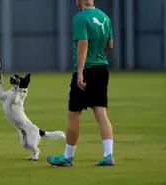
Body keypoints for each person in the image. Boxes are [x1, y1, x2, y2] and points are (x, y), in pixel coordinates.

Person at [46, 0, 115, 166]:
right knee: (101, 113)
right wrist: (97, 51)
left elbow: (83, 45)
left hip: (87, 69)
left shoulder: (80, 18)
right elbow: (110, 45)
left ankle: (68, 156)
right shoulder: (104, 17)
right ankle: (108, 154)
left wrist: (80, 72)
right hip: (102, 68)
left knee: (74, 114)